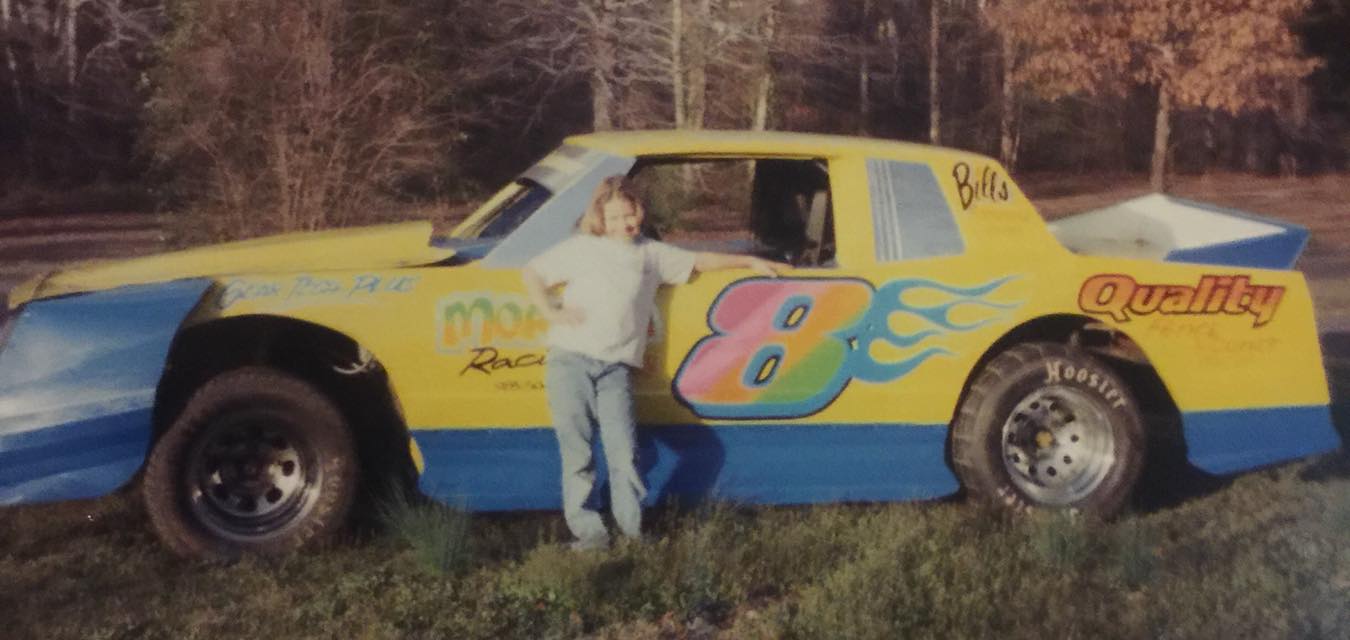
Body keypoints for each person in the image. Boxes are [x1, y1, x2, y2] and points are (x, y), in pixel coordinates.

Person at [522, 175, 787, 550]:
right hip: (571, 362)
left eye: (629, 215)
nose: (622, 224)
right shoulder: (582, 248)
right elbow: (532, 272)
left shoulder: (651, 254)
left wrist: (747, 259)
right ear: (600, 218)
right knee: (577, 452)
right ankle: (590, 534)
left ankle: (632, 533)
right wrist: (548, 310)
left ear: (639, 213)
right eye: (613, 218)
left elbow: (701, 261)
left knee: (624, 452)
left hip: (615, 369)